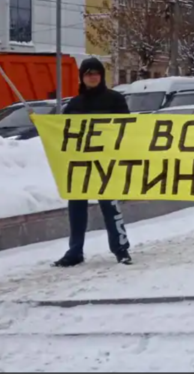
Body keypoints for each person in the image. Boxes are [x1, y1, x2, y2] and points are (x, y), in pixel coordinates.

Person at [53, 57, 133, 268]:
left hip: (106, 164)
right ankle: (75, 251)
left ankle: (121, 250)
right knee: (76, 208)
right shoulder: (75, 104)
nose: (92, 77)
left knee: (110, 207)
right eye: (88, 74)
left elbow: (128, 128)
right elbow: (61, 131)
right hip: (80, 165)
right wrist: (42, 124)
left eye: (96, 73)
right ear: (82, 77)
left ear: (101, 76)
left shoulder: (115, 100)